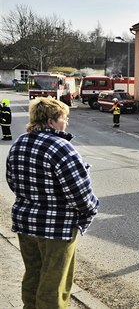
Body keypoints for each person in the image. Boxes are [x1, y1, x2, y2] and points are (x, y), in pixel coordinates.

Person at [5, 97, 99, 309]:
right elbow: (80, 195)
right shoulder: (61, 147)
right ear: (51, 121)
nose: (67, 123)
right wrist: (91, 210)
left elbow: (12, 181)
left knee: (33, 275)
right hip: (57, 229)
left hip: (25, 224)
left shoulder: (19, 143)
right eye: (65, 118)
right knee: (54, 284)